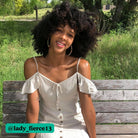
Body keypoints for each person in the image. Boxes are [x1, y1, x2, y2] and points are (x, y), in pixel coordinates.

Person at [21, 1, 98, 138]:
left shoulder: (81, 66)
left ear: (75, 40)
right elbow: (33, 109)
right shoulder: (32, 65)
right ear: (49, 32)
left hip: (76, 127)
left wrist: (93, 137)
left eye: (70, 35)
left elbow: (87, 108)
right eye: (59, 30)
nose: (63, 37)